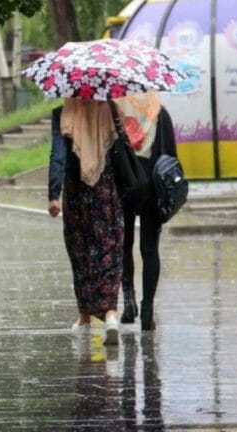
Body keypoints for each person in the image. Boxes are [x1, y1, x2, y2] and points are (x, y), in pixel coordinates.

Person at [47, 99, 124, 345]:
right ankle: (111, 314)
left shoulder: (62, 113)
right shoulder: (110, 109)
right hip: (106, 189)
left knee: (80, 252)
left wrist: (53, 194)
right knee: (108, 249)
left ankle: (85, 317)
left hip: (75, 190)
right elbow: (121, 149)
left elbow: (57, 155)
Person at [114, 93, 177, 331]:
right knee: (150, 249)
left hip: (124, 185)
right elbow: (171, 156)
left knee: (124, 246)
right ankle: (148, 307)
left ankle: (129, 303)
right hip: (152, 188)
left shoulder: (117, 112)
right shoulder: (160, 112)